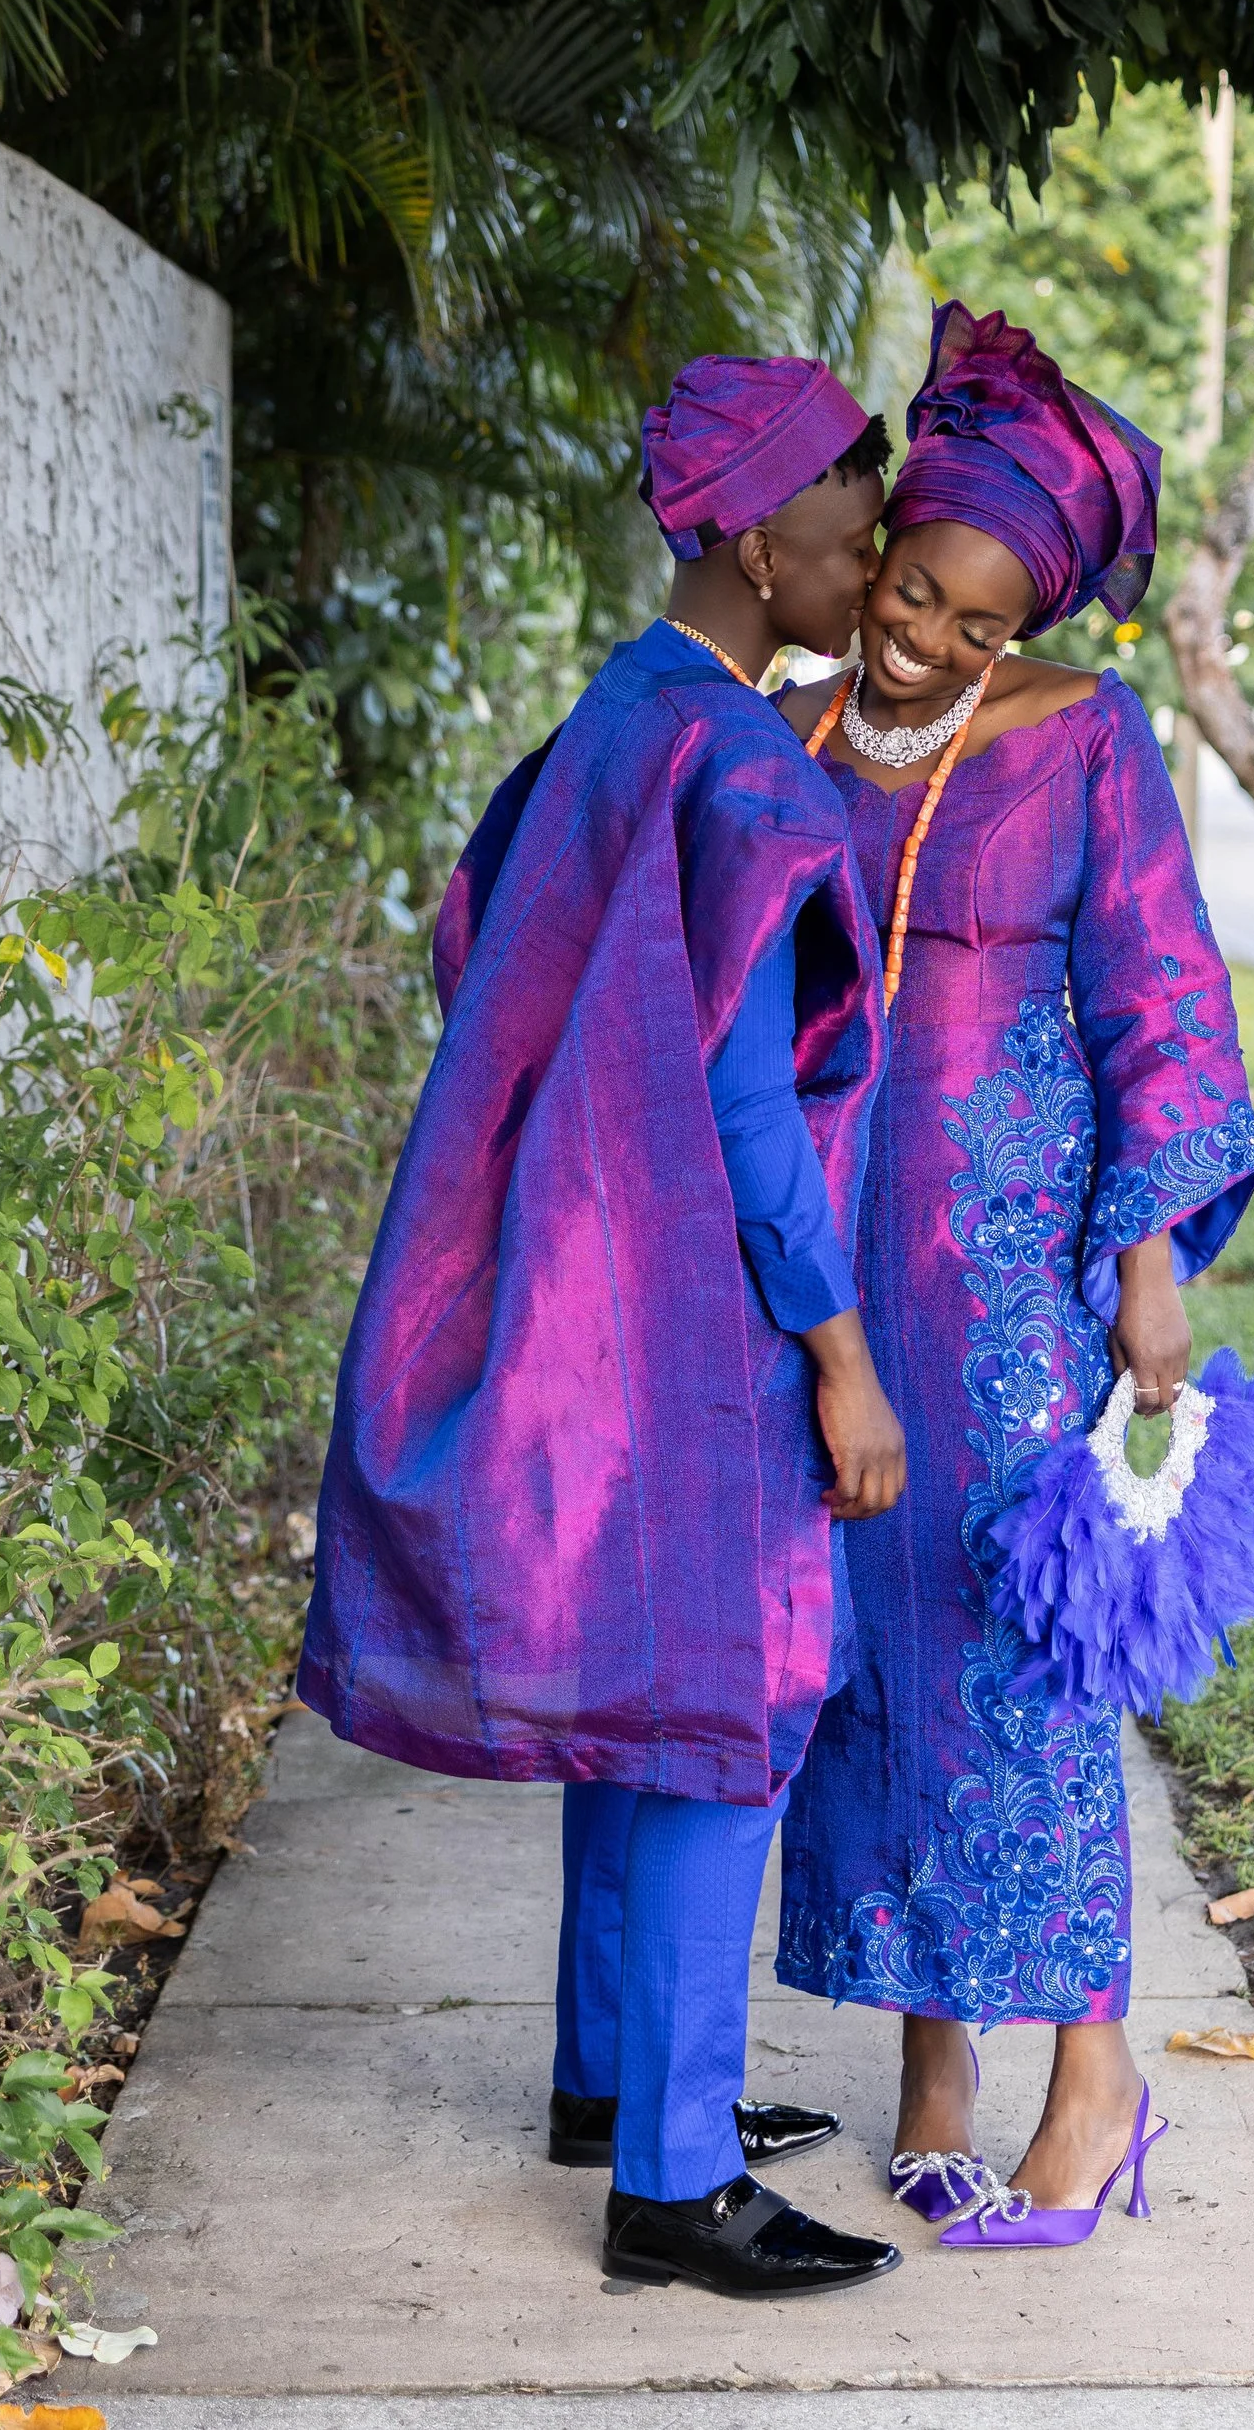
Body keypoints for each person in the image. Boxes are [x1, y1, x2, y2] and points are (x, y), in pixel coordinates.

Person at [299, 353, 911, 2301]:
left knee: (633, 1698)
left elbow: (479, 940)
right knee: (723, 1715)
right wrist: (837, 1347)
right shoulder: (737, 765)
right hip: (706, 1307)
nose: (873, 567)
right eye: (847, 534)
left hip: (595, 1285)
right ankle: (670, 2178)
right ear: (751, 536)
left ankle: (605, 2080)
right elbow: (743, 1097)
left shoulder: (619, 712)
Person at [775, 303, 1254, 2251]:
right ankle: (929, 2065)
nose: (932, 639)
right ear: (880, 542)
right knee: (866, 1656)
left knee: (1030, 1667)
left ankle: (1094, 2076)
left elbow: (1159, 1004)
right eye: (913, 592)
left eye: (979, 623)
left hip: (1013, 1299)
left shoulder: (1081, 742)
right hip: (827, 1283)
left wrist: (1147, 1269)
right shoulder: (799, 729)